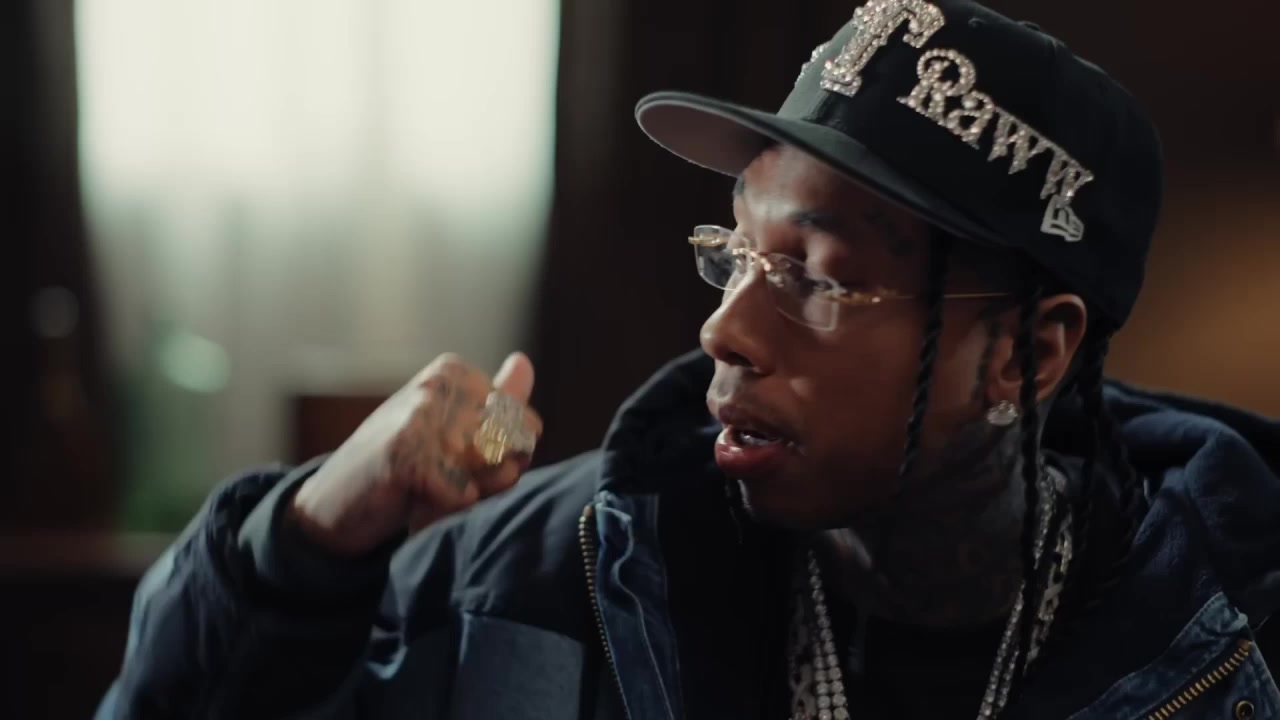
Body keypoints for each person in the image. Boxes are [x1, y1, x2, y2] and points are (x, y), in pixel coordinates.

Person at [97, 1, 1280, 718]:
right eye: (737, 254)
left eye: (816, 278)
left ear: (1025, 352)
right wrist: (303, 537)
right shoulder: (532, 579)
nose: (724, 330)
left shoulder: (1235, 645)